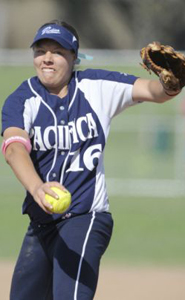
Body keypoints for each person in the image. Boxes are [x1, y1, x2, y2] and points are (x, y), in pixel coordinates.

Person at [1, 19, 181, 300]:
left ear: (73, 56)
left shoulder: (96, 86)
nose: (47, 58)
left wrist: (172, 85)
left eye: (57, 51)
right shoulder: (22, 99)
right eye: (40, 51)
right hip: (41, 223)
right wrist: (37, 188)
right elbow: (14, 148)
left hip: (87, 217)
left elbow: (154, 92)